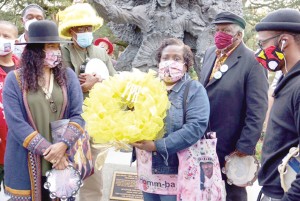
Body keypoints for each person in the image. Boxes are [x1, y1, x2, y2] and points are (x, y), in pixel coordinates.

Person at [3, 20, 85, 201]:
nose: (55, 51)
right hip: (25, 161)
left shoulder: (68, 76)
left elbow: (78, 116)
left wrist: (63, 146)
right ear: (35, 50)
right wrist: (52, 152)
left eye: (57, 46)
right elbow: (16, 124)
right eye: (50, 46)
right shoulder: (14, 80)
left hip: (64, 157)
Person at [199, 11, 268, 201]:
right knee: (205, 192)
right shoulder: (210, 53)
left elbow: (257, 110)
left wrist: (245, 146)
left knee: (232, 195)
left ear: (239, 35)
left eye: (226, 30)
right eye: (218, 29)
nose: (220, 34)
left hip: (232, 145)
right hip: (204, 141)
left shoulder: (254, 62)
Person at [132, 38, 210, 201]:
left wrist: (157, 145)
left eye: (176, 59)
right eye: (165, 58)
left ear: (186, 65)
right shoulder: (147, 87)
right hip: (147, 169)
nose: (169, 62)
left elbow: (195, 127)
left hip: (176, 169)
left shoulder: (194, 90)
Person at [58, 3, 116, 200]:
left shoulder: (101, 53)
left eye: (88, 28)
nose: (85, 32)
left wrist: (97, 82)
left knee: (95, 171)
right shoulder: (62, 52)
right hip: (73, 119)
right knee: (69, 168)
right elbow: (62, 86)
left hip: (98, 120)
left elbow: (113, 82)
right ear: (71, 30)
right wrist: (84, 86)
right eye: (80, 28)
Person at [254, 8, 300, 201]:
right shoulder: (287, 81)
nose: (259, 51)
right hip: (273, 192)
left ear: (284, 41)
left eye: (262, 43)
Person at [0, 20, 19, 191]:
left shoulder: (26, 70)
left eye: (6, 36)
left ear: (16, 41)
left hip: (18, 147)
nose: (1, 39)